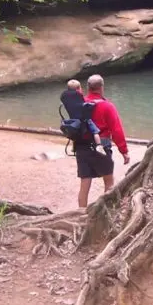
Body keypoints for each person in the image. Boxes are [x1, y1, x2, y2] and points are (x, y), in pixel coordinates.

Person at [76, 74, 130, 208]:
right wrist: (124, 151)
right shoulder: (107, 106)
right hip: (102, 146)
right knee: (109, 182)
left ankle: (81, 214)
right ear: (101, 88)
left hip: (81, 146)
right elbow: (117, 130)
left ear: (88, 88)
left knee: (85, 183)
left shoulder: (80, 104)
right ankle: (107, 210)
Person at [60, 79, 102, 149]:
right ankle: (99, 145)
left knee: (75, 132)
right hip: (84, 119)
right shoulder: (78, 96)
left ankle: (74, 147)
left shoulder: (66, 97)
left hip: (73, 119)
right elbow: (84, 106)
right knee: (95, 131)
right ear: (78, 89)